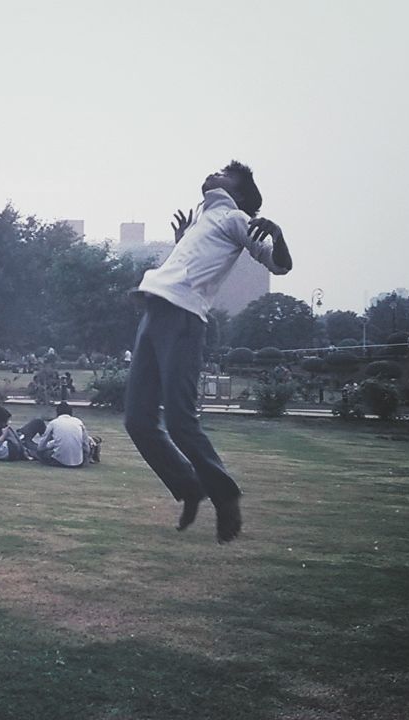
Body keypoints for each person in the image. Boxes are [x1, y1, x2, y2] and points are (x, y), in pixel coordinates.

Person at [124, 160, 292, 543]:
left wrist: (278, 234)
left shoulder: (234, 217)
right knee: (137, 421)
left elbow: (280, 265)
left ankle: (225, 493)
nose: (214, 174)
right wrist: (183, 238)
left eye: (224, 175)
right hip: (155, 311)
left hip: (183, 319)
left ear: (238, 193)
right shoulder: (203, 220)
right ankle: (190, 486)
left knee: (181, 422)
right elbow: (189, 261)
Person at [35, 402, 94, 468]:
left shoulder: (54, 423)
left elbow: (42, 444)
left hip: (58, 461)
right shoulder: (78, 422)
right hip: (78, 462)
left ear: (57, 413)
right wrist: (86, 455)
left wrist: (42, 450)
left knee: (43, 453)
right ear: (71, 413)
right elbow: (85, 443)